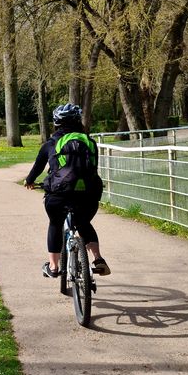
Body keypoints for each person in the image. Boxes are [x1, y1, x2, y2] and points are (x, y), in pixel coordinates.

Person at [23, 103, 111, 279]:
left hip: (59, 194)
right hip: (89, 193)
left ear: (56, 123)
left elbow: (37, 168)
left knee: (55, 223)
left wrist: (29, 181)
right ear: (79, 121)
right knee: (83, 222)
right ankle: (98, 259)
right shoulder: (90, 142)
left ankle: (54, 267)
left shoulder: (51, 144)